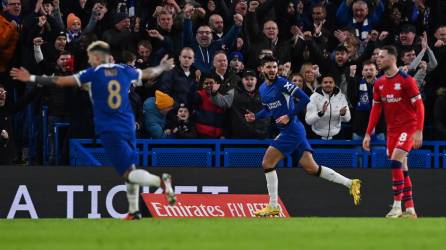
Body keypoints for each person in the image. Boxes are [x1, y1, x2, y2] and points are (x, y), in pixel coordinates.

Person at [10, 41, 176, 220]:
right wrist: (161, 67)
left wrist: (32, 78)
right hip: (128, 125)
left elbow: (59, 80)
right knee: (130, 166)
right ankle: (134, 211)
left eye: (91, 57)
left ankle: (161, 182)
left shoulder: (92, 74)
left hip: (110, 128)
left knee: (128, 172)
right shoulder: (124, 70)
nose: (89, 60)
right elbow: (147, 73)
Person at [244, 55, 361, 217]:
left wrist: (289, 115)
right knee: (312, 168)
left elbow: (304, 99)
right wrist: (255, 116)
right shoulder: (263, 88)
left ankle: (273, 206)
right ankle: (351, 183)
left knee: (267, 162)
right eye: (268, 67)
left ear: (277, 69)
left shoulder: (283, 83)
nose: (272, 70)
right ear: (262, 69)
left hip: (292, 129)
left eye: (274, 67)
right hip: (291, 131)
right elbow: (268, 109)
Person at [363, 46, 425, 219]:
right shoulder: (379, 83)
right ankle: (411, 208)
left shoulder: (407, 80)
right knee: (403, 167)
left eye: (381, 57)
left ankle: (397, 206)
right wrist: (368, 133)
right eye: (377, 56)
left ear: (392, 58)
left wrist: (419, 130)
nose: (378, 59)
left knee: (396, 161)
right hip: (392, 131)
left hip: (409, 127)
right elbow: (376, 110)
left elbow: (419, 106)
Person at [305, 75, 351, 140]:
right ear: (321, 84)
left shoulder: (341, 97)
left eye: (330, 82)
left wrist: (343, 114)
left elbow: (347, 119)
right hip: (317, 136)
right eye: (325, 82)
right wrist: (320, 113)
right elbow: (308, 121)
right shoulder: (313, 97)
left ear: (334, 84)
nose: (328, 84)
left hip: (337, 135)